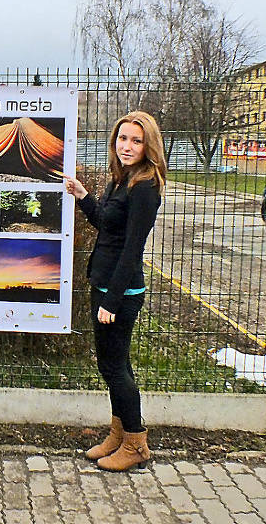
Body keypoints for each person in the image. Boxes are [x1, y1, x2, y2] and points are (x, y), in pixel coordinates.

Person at [64, 111, 166, 472]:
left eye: (136, 141)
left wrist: (112, 300)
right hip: (105, 283)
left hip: (119, 292)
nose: (127, 146)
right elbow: (107, 224)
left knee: (114, 368)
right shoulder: (122, 180)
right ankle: (118, 434)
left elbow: (132, 249)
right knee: (113, 365)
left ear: (148, 146)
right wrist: (83, 195)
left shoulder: (145, 188)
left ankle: (136, 443)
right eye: (123, 138)